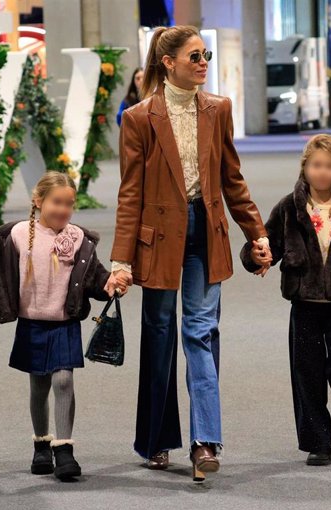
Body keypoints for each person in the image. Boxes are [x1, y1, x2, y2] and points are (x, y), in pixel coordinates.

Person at [109, 25, 270, 482]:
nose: (204, 62)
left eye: (207, 55)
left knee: (201, 331)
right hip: (157, 236)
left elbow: (232, 179)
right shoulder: (139, 118)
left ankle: (205, 441)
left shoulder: (219, 109)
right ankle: (156, 439)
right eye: (196, 56)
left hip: (206, 232)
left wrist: (254, 232)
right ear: (169, 63)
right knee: (158, 336)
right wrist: (121, 261)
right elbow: (129, 194)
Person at [241, 134, 331, 466]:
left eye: (329, 167)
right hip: (304, 305)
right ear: (305, 168)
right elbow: (267, 245)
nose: (322, 173)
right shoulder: (289, 208)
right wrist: (257, 256)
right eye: (315, 166)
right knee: (306, 374)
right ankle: (318, 442)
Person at [0, 171, 121, 481]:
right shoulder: (20, 235)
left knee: (63, 381)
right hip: (32, 323)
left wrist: (109, 284)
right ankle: (41, 444)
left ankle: (64, 449)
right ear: (39, 201)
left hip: (64, 323)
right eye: (57, 202)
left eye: (69, 204)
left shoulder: (78, 238)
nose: (64, 210)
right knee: (39, 384)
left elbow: (94, 275)